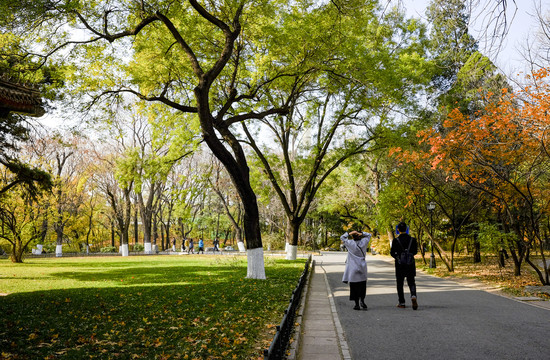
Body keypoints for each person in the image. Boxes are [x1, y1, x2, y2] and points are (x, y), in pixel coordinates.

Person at [390, 222, 418, 310]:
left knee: (400, 283)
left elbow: (392, 253)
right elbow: (415, 251)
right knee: (411, 282)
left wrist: (397, 257)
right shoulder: (412, 240)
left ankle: (402, 302)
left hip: (400, 265)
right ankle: (413, 295)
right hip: (410, 263)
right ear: (406, 229)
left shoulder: (396, 240)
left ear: (398, 229)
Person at [341, 230, 372, 310]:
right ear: (359, 236)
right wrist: (362, 233)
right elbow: (369, 235)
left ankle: (356, 304)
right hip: (362, 266)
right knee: (362, 285)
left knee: (354, 286)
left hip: (352, 268)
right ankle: (362, 300)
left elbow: (342, 237)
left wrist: (349, 233)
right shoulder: (364, 242)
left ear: (352, 237)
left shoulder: (350, 243)